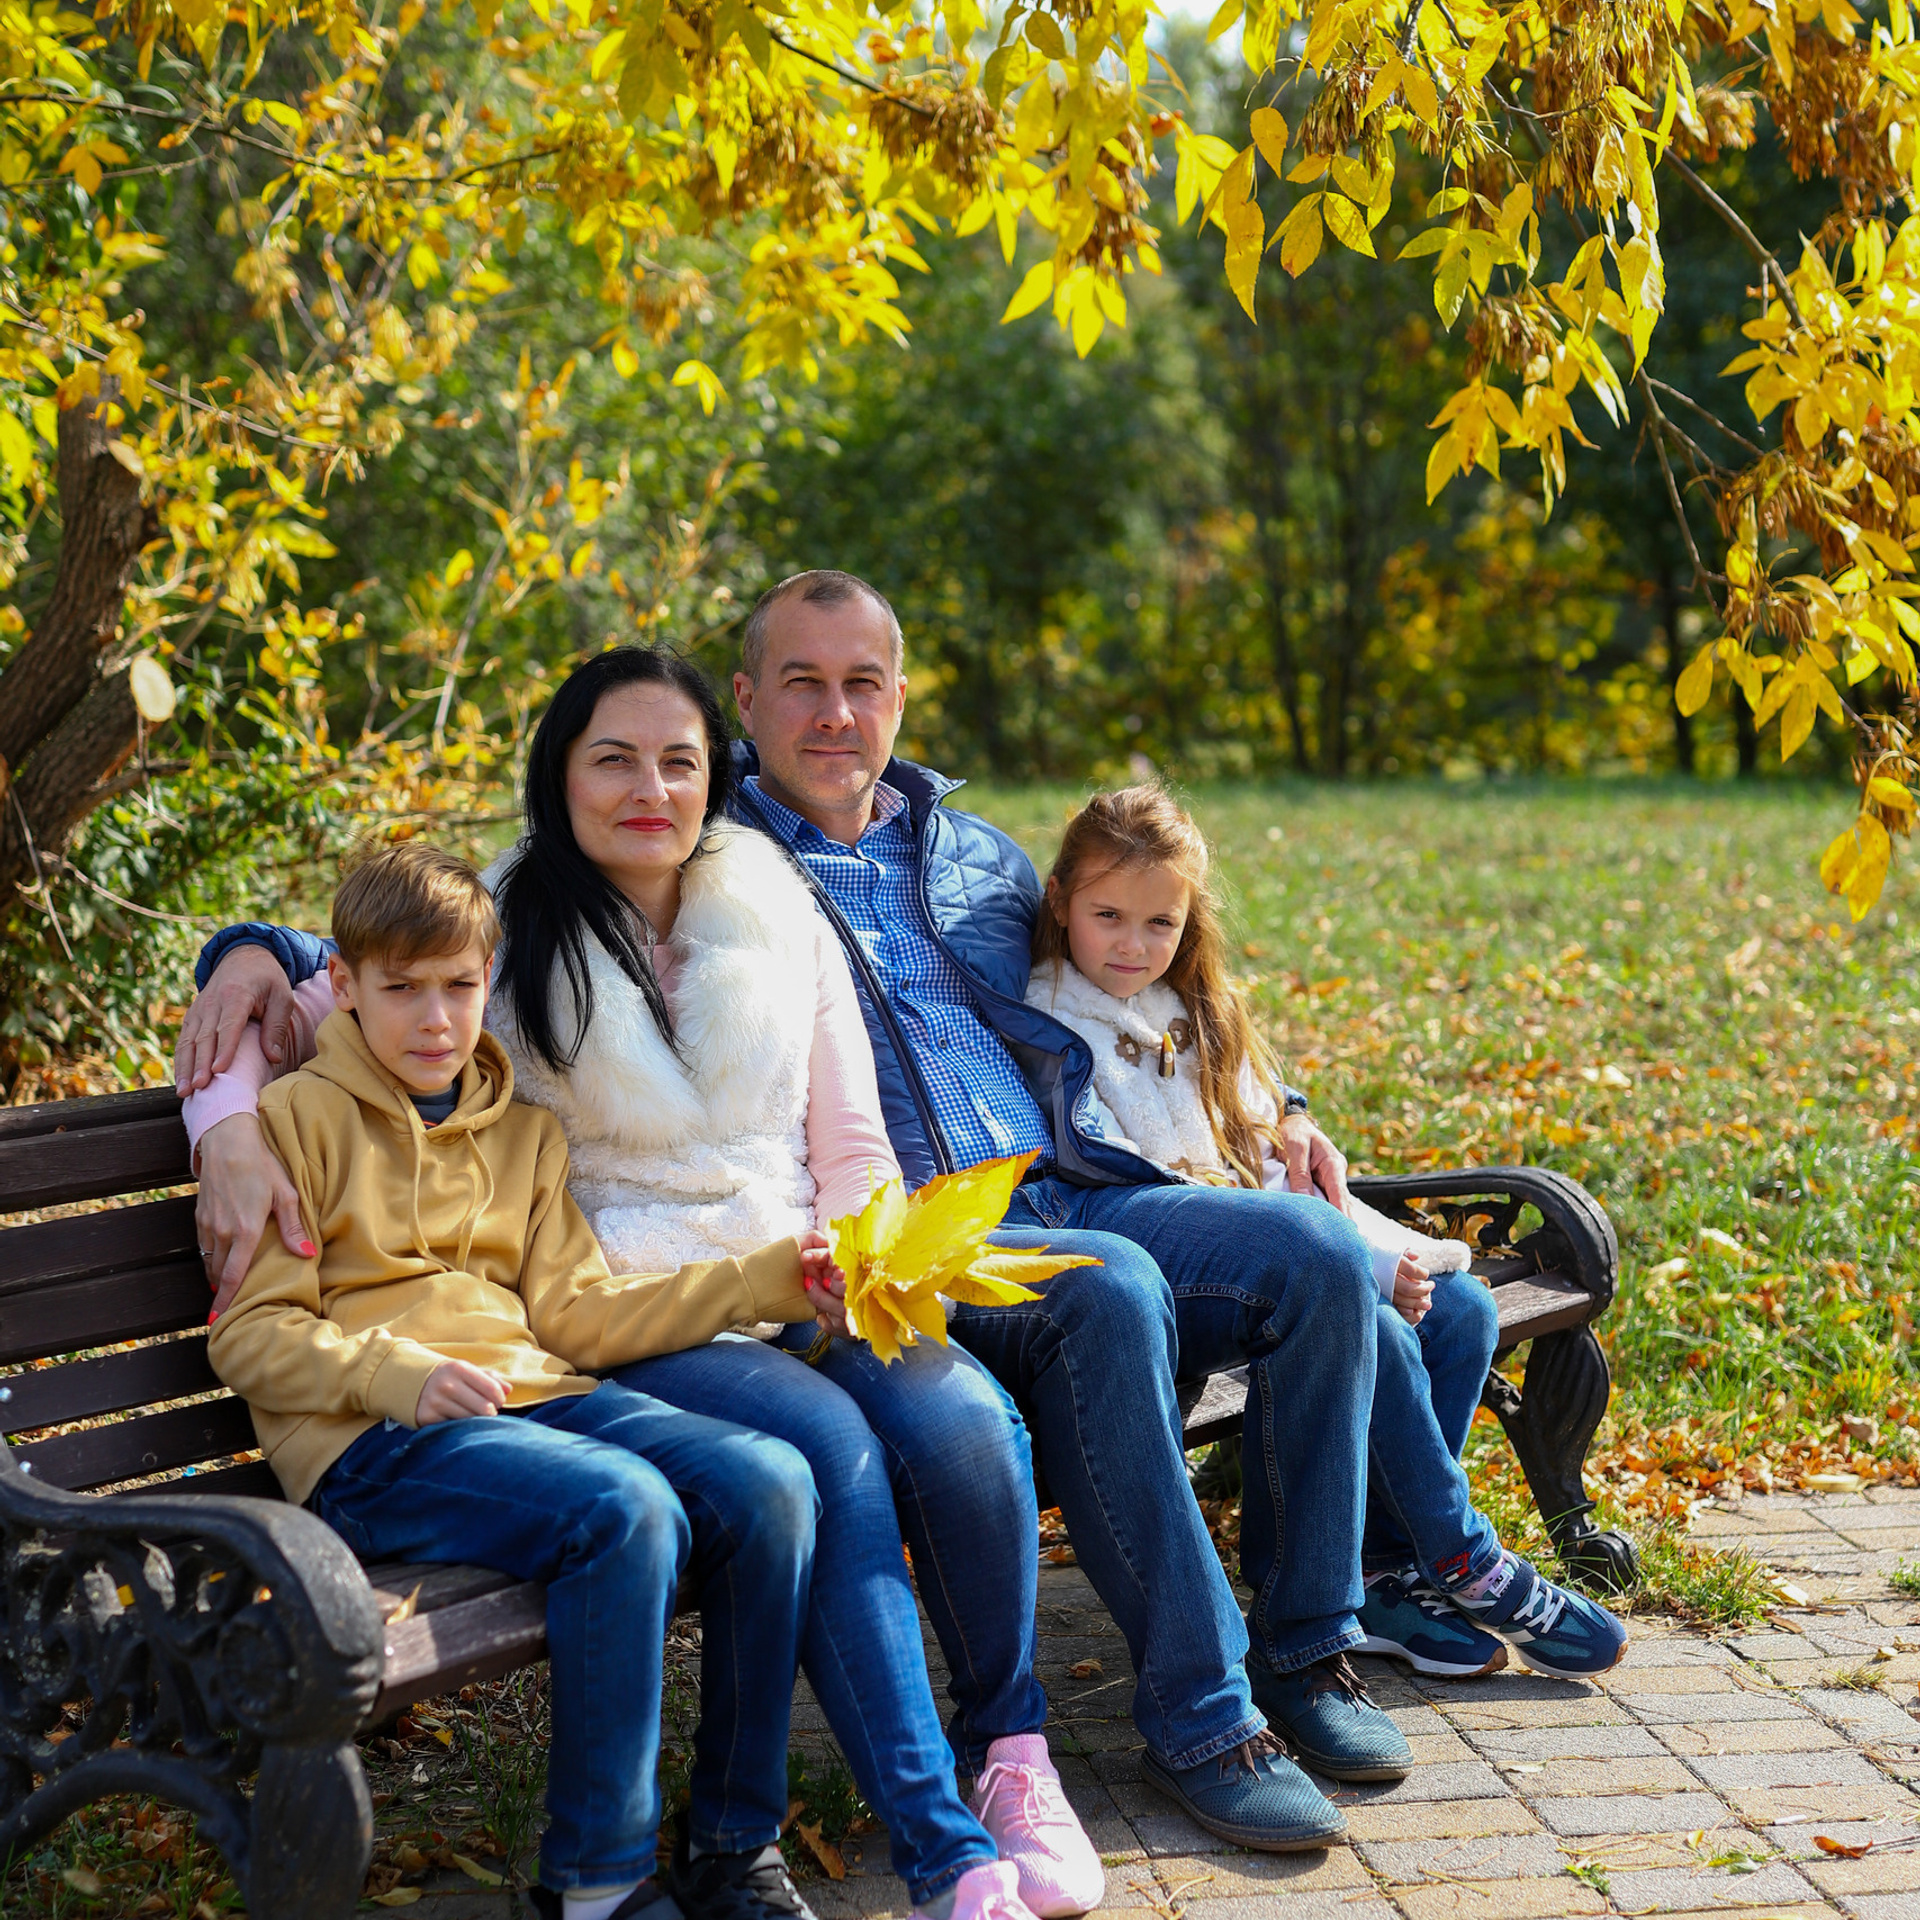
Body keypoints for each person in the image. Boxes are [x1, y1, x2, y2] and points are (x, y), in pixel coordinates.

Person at [181, 581, 1411, 1849]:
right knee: (1009, 1358)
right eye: (800, 687)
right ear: (744, 715)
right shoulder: (605, 890)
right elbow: (384, 951)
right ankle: (1090, 1755)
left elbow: (1141, 948)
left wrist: (1274, 1107)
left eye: (863, 684)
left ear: (894, 699)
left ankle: (1232, 1679)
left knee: (1228, 1290)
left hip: (959, 1217)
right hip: (703, 1285)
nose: (834, 716)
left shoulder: (931, 863)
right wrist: (233, 1043)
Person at [178, 647, 1098, 1920]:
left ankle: (788, 1828)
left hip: (601, 1345)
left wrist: (810, 1263)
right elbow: (347, 960)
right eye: (612, 757)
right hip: (406, 1413)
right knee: (739, 1478)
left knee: (896, 1443)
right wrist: (227, 1099)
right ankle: (661, 1870)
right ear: (556, 777)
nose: (649, 788)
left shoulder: (563, 1090)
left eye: (678, 761)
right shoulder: (432, 998)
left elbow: (579, 1301)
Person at [205, 840, 831, 1920]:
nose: (436, 1019)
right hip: (371, 1442)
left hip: (531, 1396)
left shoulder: (524, 1136)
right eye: (401, 991)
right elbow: (249, 1337)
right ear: (345, 987)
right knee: (624, 1509)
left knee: (771, 1480)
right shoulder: (293, 1125)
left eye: (457, 987)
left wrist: (764, 1278)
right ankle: (595, 1880)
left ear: (485, 982)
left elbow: (580, 1319)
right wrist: (394, 1374)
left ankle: (735, 1844)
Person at [1025, 785, 1630, 1681]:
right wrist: (1362, 1265)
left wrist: (1300, 1130)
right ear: (1062, 901)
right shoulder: (1046, 1016)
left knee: (1458, 1309)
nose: (1131, 943)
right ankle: (1464, 1555)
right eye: (1107, 915)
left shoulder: (1196, 1006)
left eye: (1160, 922)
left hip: (1276, 1236)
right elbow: (1115, 1177)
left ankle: (1381, 1564)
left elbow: (1265, 1128)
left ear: (1189, 923)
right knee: (1379, 1324)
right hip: (1172, 1271)